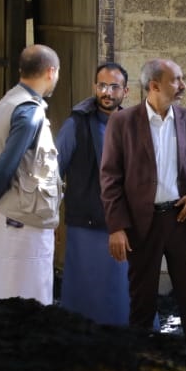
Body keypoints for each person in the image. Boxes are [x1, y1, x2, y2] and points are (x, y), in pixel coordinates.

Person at [100, 59, 186, 343]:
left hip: (182, 219)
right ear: (154, 85)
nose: (183, 85)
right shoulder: (122, 123)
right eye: (176, 80)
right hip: (141, 225)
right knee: (141, 304)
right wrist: (116, 226)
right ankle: (143, 362)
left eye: (182, 78)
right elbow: (110, 178)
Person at [0, 44, 62, 303]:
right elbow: (6, 164)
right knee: (30, 298)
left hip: (14, 216)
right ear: (51, 72)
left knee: (10, 294)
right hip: (23, 221)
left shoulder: (10, 99)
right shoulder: (29, 111)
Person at [55, 62, 130, 325]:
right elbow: (54, 172)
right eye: (102, 85)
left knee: (120, 298)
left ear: (126, 91)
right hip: (85, 224)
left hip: (123, 226)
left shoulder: (134, 124)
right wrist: (52, 218)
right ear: (94, 87)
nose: (107, 92)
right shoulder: (76, 124)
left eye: (114, 86)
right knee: (84, 297)